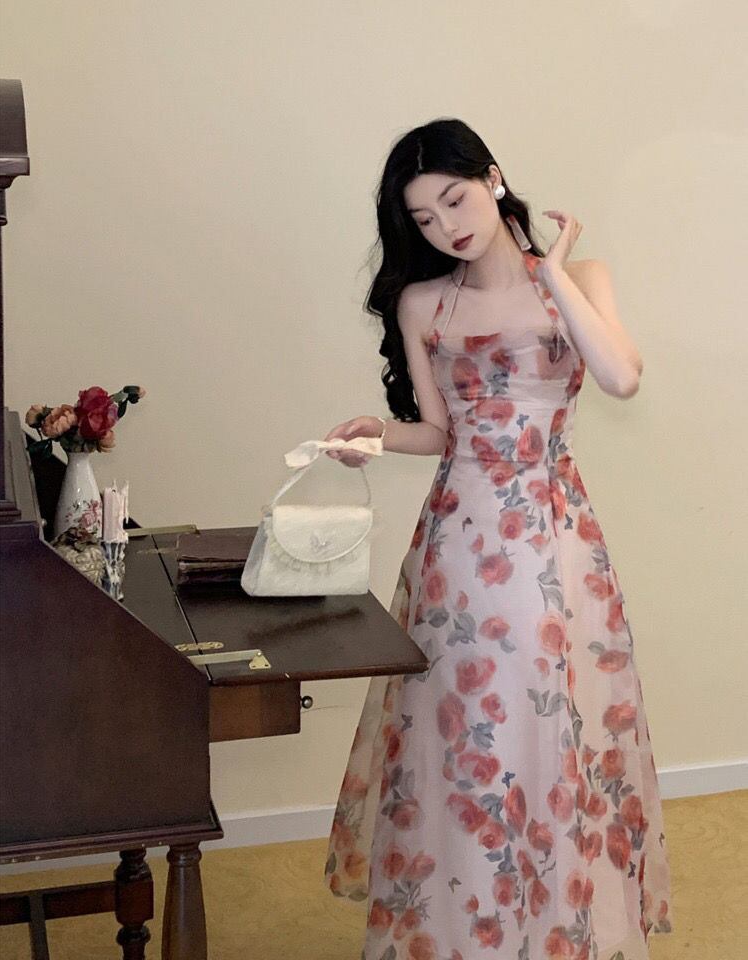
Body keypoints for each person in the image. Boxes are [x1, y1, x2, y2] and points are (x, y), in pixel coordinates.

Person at [322, 118, 673, 960]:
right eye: (424, 217)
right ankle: (463, 936)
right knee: (464, 733)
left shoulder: (580, 277)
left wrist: (551, 274)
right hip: (461, 546)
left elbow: (622, 377)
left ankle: (560, 935)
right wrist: (377, 435)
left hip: (558, 539)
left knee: (562, 731)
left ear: (492, 178)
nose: (447, 226)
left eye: (456, 199)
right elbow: (440, 433)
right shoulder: (423, 302)